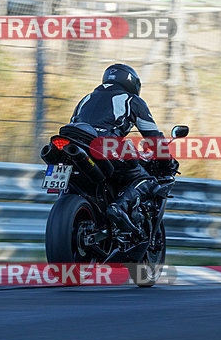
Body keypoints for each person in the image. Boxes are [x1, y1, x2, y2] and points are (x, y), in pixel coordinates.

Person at [69, 63, 178, 234]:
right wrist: (167, 161)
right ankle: (119, 208)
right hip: (104, 147)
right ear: (132, 83)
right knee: (146, 179)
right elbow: (153, 138)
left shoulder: (86, 99)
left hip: (74, 145)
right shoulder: (131, 100)